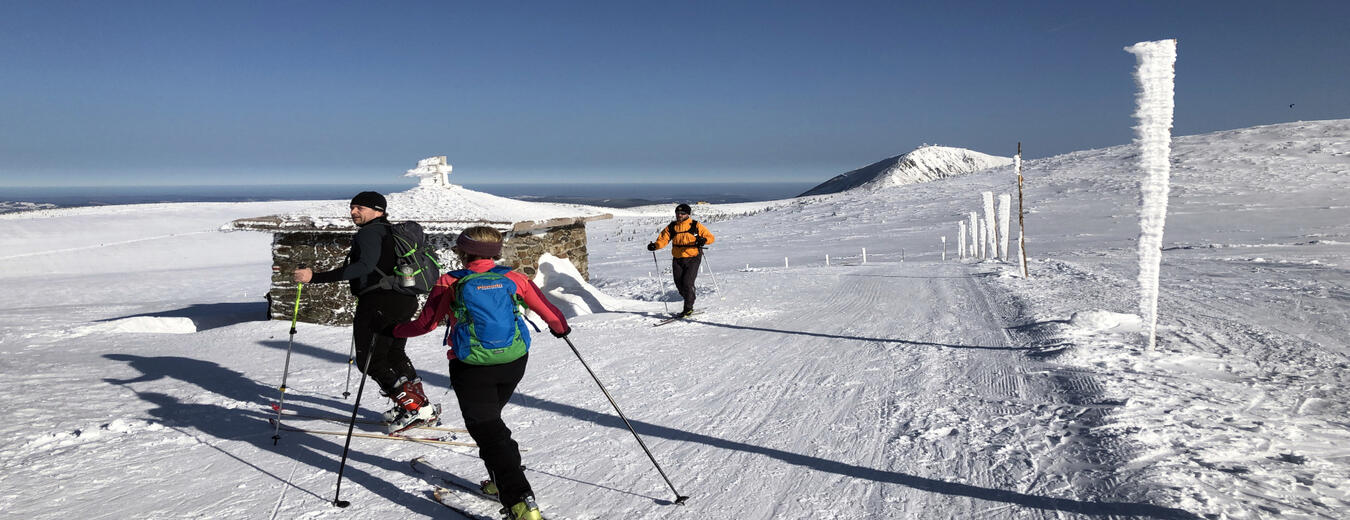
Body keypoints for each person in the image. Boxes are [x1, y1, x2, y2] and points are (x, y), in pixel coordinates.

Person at [392, 226, 570, 520]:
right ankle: (501, 481)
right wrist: (561, 329)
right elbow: (551, 313)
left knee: (488, 430)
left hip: (471, 367)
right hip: (513, 362)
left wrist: (393, 330)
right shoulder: (514, 278)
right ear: (496, 251)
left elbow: (425, 325)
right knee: (491, 426)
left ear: (463, 252)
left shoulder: (448, 282)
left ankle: (520, 501)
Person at [292, 191, 439, 434]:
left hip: (379, 302)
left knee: (370, 360)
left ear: (378, 210)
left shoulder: (370, 233)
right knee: (393, 353)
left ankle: (415, 407)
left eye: (360, 208)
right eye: (352, 207)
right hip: (404, 299)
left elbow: (363, 267)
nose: (353, 212)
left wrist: (314, 277)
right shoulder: (391, 232)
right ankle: (419, 407)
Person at [647, 203, 716, 317]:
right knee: (679, 283)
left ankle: (688, 308)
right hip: (678, 258)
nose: (679, 215)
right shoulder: (672, 226)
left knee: (687, 283)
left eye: (682, 213)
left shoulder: (695, 225)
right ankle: (690, 297)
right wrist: (656, 246)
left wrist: (703, 240)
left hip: (693, 257)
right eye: (677, 213)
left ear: (687, 214)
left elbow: (710, 237)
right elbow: (663, 239)